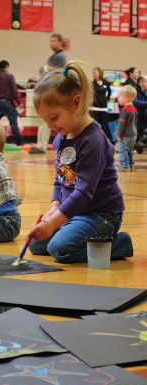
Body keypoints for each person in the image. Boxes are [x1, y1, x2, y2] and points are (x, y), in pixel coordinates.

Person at [28, 61, 133, 264]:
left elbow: (83, 193)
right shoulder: (61, 135)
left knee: (59, 249)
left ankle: (119, 243)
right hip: (74, 212)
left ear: (76, 103)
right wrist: (54, 208)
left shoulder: (93, 140)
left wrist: (54, 223)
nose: (50, 126)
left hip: (100, 215)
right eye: (45, 120)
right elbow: (60, 179)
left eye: (54, 117)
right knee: (37, 244)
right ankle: (72, 231)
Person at [29, 33, 67, 154]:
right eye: (51, 41)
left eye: (54, 41)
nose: (52, 43)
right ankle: (41, 145)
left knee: (47, 118)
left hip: (52, 91)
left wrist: (43, 73)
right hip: (49, 90)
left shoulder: (60, 57)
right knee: (45, 119)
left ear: (60, 42)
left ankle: (42, 146)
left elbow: (54, 74)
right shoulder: (55, 56)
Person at [0, 60, 24, 146]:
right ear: (6, 67)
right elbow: (14, 91)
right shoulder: (9, 76)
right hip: (8, 103)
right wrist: (19, 102)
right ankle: (18, 143)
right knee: (13, 122)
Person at [115, 85, 138, 172]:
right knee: (130, 150)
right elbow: (135, 123)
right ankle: (131, 165)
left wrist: (118, 134)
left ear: (126, 98)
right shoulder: (134, 109)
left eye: (119, 97)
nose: (118, 99)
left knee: (123, 150)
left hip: (125, 135)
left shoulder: (124, 110)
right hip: (133, 134)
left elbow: (121, 124)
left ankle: (124, 166)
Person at [90, 67, 111, 137]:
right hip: (94, 107)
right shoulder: (92, 83)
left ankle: (102, 138)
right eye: (93, 73)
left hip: (104, 107)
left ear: (100, 73)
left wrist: (107, 99)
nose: (94, 75)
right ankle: (95, 137)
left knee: (103, 124)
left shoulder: (106, 83)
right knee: (95, 124)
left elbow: (109, 92)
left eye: (95, 73)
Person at [134, 75, 147, 148]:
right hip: (137, 116)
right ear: (140, 83)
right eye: (146, 81)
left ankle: (140, 143)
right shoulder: (135, 90)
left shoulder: (145, 92)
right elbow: (135, 102)